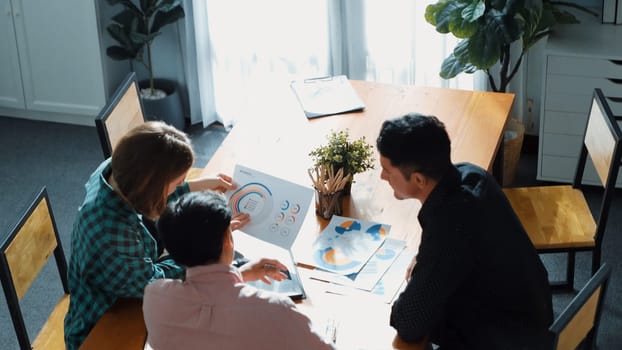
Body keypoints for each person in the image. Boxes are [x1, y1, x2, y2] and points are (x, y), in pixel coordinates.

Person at [64, 121, 277, 349]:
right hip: (111, 327)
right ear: (152, 188)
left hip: (129, 297)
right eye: (177, 184)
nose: (181, 186)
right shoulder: (112, 233)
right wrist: (207, 244)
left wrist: (195, 187)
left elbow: (152, 195)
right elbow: (153, 282)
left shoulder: (117, 170)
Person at [376, 113, 553, 349]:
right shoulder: (471, 174)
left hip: (510, 337)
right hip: (531, 309)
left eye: (388, 170)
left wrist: (416, 285)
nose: (382, 176)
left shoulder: (451, 222)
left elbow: (409, 322)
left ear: (418, 179)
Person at [143, 190, 336, 350]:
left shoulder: (156, 298)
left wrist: (240, 274)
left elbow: (209, 306)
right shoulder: (275, 310)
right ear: (228, 238)